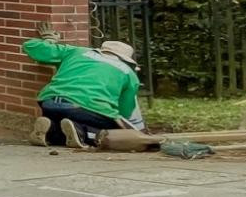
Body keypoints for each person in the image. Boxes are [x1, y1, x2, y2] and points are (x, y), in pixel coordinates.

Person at [21, 33, 154, 150]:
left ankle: (50, 129)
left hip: (49, 102)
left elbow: (31, 46)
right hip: (84, 108)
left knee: (64, 125)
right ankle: (82, 132)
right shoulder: (128, 73)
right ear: (127, 60)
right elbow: (125, 111)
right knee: (112, 132)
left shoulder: (77, 52)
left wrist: (49, 40)